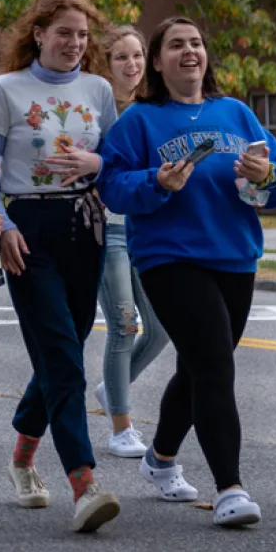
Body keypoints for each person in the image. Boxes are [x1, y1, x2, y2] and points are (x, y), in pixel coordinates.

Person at [99, 16, 276, 527]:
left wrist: (266, 174)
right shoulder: (139, 122)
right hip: (170, 258)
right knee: (213, 365)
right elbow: (112, 186)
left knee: (199, 367)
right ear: (158, 62)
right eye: (176, 45)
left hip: (235, 255)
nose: (190, 51)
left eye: (196, 43)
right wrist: (156, 180)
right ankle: (230, 488)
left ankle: (160, 458)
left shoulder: (236, 113)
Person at [0, 0, 121, 532]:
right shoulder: (6, 90)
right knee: (63, 357)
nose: (75, 43)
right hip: (27, 231)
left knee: (64, 349)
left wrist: (98, 160)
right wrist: (4, 224)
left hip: (86, 226)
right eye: (64, 33)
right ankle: (84, 483)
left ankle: (21, 453)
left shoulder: (99, 89)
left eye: (83, 35)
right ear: (37, 34)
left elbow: (117, 160)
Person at [91, 25, 169, 459]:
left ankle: (111, 387)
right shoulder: (98, 110)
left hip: (147, 229)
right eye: (121, 57)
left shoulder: (154, 109)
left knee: (161, 331)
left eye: (137, 55)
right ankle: (121, 427)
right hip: (108, 230)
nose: (132, 65)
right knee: (123, 326)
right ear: (107, 64)